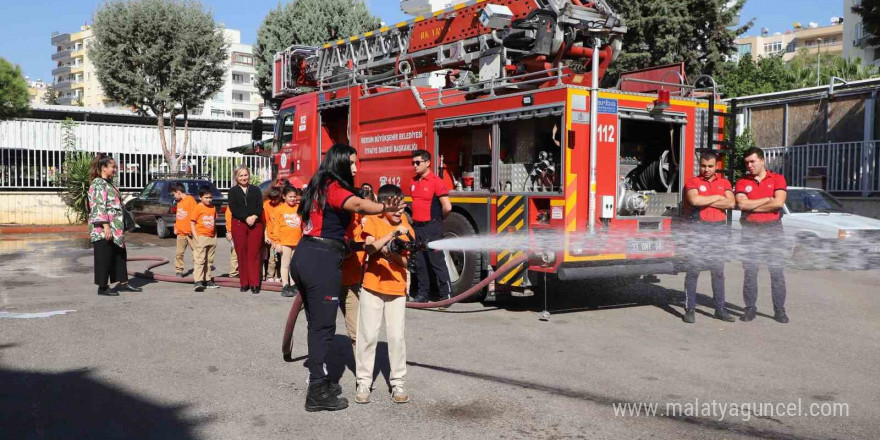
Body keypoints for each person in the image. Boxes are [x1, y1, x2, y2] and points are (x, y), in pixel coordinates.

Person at [290, 144, 405, 412]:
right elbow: (357, 204)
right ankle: (317, 391)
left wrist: (356, 246)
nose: (355, 168)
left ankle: (320, 380)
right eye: (352, 163)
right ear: (340, 163)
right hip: (321, 261)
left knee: (315, 325)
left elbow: (330, 228)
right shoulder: (333, 187)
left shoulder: (317, 186)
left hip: (307, 254)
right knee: (323, 328)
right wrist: (384, 207)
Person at [355, 184, 413, 404]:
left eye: (402, 207)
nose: (399, 212)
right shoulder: (373, 220)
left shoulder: (406, 225)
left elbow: (407, 260)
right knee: (368, 336)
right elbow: (369, 249)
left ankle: (398, 382)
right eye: (395, 208)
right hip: (372, 286)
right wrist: (391, 236)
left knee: (397, 337)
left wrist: (393, 254)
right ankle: (363, 381)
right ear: (384, 206)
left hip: (397, 288)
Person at [735, 147, 789, 324]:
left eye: (753, 161)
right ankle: (750, 309)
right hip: (751, 230)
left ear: (762, 161)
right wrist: (767, 200)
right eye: (747, 163)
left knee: (777, 273)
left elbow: (779, 202)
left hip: (773, 230)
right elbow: (742, 205)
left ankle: (779, 310)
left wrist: (754, 205)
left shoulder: (778, 179)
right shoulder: (743, 182)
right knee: (750, 272)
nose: (749, 165)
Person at [681, 151, 736, 324]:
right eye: (703, 166)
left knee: (718, 272)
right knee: (693, 272)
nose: (706, 169)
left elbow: (731, 203)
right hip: (699, 230)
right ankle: (689, 310)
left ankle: (719, 309)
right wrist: (719, 198)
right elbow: (695, 201)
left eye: (710, 166)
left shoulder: (724, 182)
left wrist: (707, 199)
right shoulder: (693, 182)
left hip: (718, 231)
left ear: (716, 166)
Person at [87, 155, 141, 296]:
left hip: (115, 228)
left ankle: (123, 282)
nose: (115, 169)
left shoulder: (109, 183)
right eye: (113, 167)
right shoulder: (98, 184)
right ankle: (102, 287)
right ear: (104, 168)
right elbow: (98, 206)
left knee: (119, 255)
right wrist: (106, 226)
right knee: (104, 256)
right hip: (104, 228)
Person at [409, 149, 453, 303]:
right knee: (420, 262)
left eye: (418, 162)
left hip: (432, 228)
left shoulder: (436, 181)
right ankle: (423, 294)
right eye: (413, 163)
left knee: (437, 261)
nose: (414, 165)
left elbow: (447, 207)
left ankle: (445, 295)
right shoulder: (414, 181)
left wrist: (437, 221)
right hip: (417, 228)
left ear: (427, 163)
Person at [339, 183, 377, 352]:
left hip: (353, 281)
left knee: (357, 333)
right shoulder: (346, 221)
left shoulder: (372, 221)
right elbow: (343, 249)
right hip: (333, 282)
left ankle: (362, 376)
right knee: (321, 327)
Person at [227, 166, 264, 294]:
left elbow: (260, 206)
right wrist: (245, 218)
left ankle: (255, 283)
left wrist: (254, 216)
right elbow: (234, 208)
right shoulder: (232, 191)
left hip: (256, 224)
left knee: (254, 254)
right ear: (236, 177)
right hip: (239, 224)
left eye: (245, 175)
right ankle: (244, 283)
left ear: (249, 175)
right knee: (241, 253)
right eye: (241, 175)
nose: (244, 178)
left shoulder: (256, 190)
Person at [273, 186, 303, 297]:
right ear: (284, 196)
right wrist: (276, 242)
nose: (292, 199)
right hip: (284, 242)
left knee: (295, 265)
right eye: (290, 197)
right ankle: (285, 285)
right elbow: (275, 227)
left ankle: (294, 284)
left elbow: (303, 223)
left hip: (297, 241)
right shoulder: (280, 209)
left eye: (294, 197)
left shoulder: (299, 207)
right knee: (285, 264)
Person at [189, 187, 219, 292]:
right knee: (200, 259)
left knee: (209, 260)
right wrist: (196, 236)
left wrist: (215, 235)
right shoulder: (198, 208)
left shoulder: (213, 208)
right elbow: (192, 222)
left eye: (210, 197)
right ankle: (198, 281)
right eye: (206, 198)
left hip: (211, 237)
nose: (209, 200)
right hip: (201, 237)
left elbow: (214, 222)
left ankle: (207, 279)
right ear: (200, 197)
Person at [171, 183, 197, 277]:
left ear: (178, 192)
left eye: (174, 194)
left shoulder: (190, 200)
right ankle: (179, 270)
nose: (174, 196)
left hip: (190, 233)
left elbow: (195, 216)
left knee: (196, 252)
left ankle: (198, 269)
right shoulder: (179, 202)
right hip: (181, 232)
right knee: (179, 253)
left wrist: (192, 230)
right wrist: (176, 227)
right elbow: (179, 216)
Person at [263, 187, 284, 282]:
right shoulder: (266, 205)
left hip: (282, 237)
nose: (273, 201)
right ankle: (270, 275)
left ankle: (278, 275)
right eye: (271, 198)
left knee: (280, 259)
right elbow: (266, 222)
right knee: (272, 258)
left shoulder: (283, 206)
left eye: (275, 199)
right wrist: (266, 235)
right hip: (271, 237)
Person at [224, 206, 238, 278]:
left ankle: (239, 271)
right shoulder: (231, 205)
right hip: (233, 231)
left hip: (241, 230)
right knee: (235, 252)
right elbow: (228, 219)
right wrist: (229, 231)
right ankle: (233, 273)